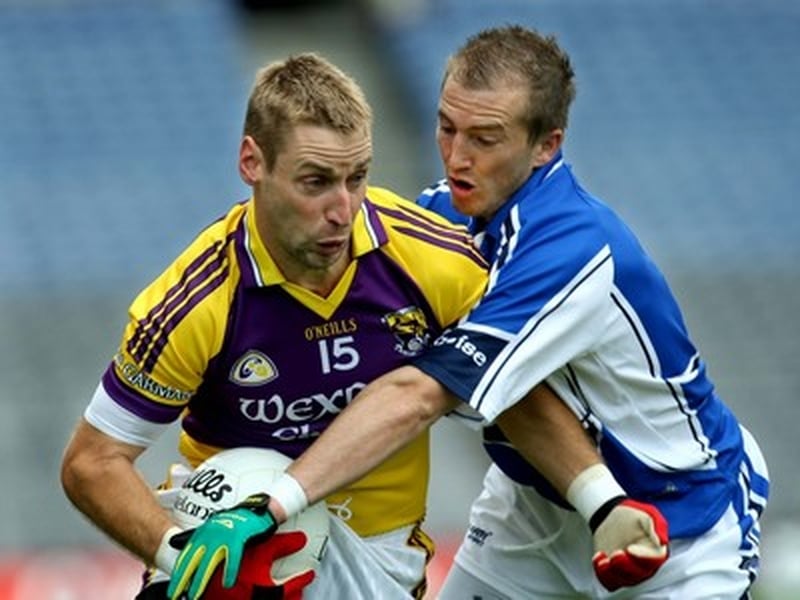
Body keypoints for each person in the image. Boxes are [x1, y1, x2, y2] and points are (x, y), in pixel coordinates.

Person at [166, 25, 771, 599]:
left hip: (678, 516)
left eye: (484, 139)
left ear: (546, 145)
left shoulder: (573, 248)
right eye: (446, 128)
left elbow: (424, 392)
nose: (457, 157)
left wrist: (268, 503)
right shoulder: (440, 221)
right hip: (535, 507)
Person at [61, 52, 503, 599]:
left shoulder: (436, 263)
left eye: (357, 177)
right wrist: (178, 555)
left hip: (377, 555)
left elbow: (530, 392)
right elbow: (92, 461)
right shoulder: (195, 304)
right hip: (227, 542)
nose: (343, 210)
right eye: (316, 181)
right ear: (252, 162)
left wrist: (598, 498)